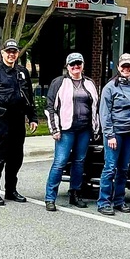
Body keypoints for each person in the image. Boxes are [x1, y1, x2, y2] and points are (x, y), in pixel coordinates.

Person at [0, 38, 38, 206]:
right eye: (9, 52)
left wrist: (32, 117)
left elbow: (28, 97)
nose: (12, 55)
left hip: (18, 119)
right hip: (0, 120)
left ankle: (11, 190)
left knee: (16, 158)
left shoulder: (22, 72)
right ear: (2, 53)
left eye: (14, 52)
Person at [44, 52, 100, 212]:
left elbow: (95, 107)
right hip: (65, 130)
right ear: (67, 66)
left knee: (79, 162)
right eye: (72, 64)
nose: (76, 67)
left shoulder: (89, 83)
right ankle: (50, 198)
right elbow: (50, 107)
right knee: (60, 162)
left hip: (84, 130)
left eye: (78, 64)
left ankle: (75, 194)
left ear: (82, 65)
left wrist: (95, 128)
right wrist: (54, 129)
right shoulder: (59, 82)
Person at [96, 53, 130, 216]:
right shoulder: (110, 87)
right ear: (118, 67)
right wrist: (109, 135)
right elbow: (104, 113)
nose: (126, 69)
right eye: (123, 66)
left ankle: (119, 200)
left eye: (129, 66)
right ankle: (103, 202)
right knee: (110, 168)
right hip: (115, 133)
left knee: (124, 168)